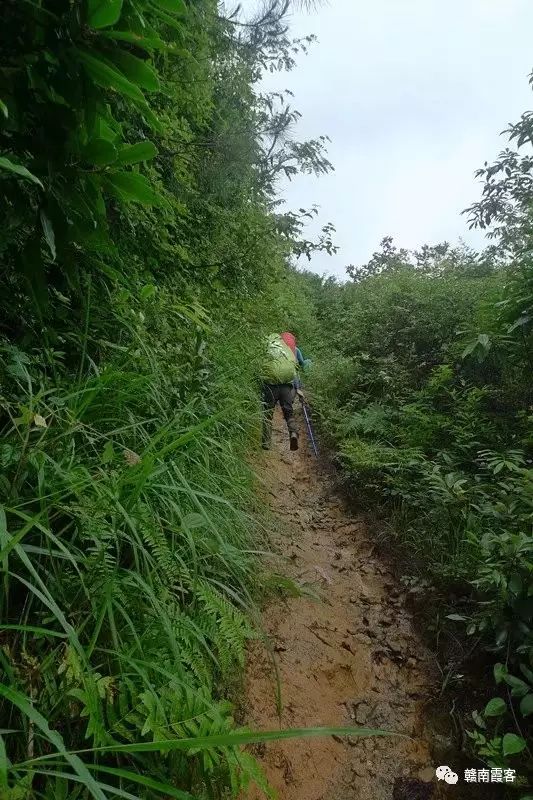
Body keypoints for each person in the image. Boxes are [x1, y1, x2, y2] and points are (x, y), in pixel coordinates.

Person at [260, 332, 301, 451]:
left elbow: (261, 367)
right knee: (288, 413)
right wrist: (297, 388)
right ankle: (293, 433)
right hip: (286, 387)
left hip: (271, 386)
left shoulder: (268, 348)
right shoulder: (287, 351)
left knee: (267, 414)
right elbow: (295, 368)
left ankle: (266, 442)